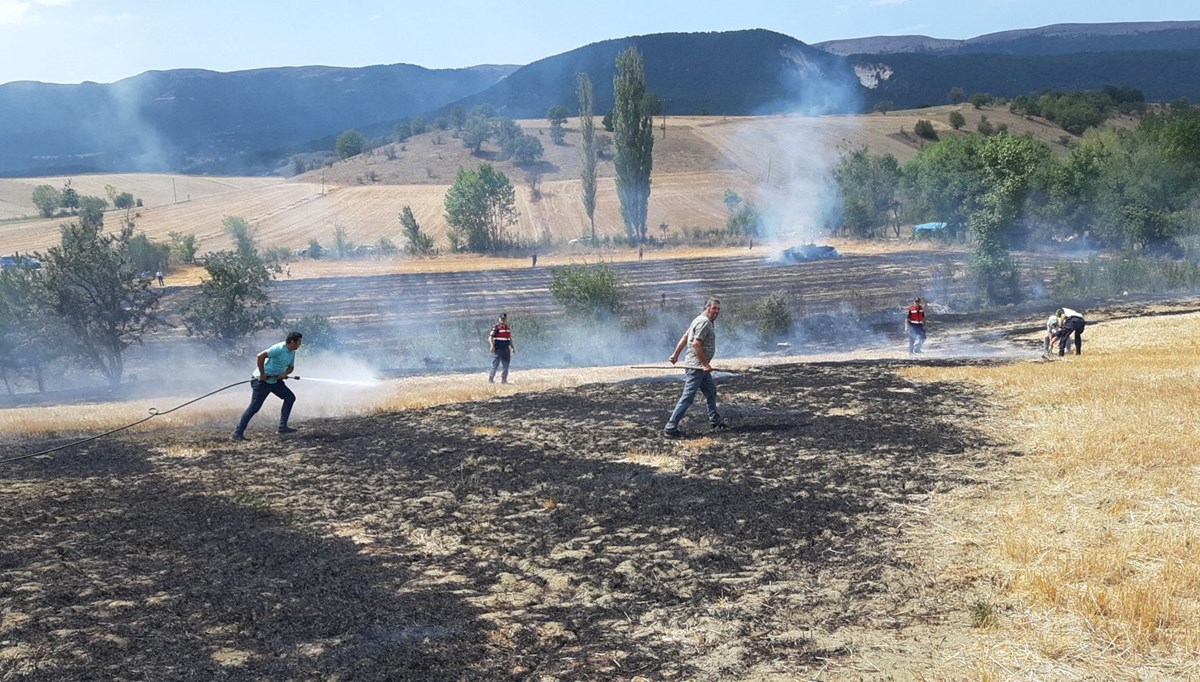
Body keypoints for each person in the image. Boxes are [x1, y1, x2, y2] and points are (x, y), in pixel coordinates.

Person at [664, 298, 725, 438]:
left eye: (718, 309)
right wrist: (704, 364)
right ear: (707, 308)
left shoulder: (698, 319)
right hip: (696, 367)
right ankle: (670, 427)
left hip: (699, 367)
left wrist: (675, 354)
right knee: (687, 398)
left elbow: (686, 337)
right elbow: (696, 344)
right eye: (714, 308)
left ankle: (715, 421)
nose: (717, 311)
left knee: (710, 391)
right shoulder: (704, 322)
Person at [232, 331, 302, 441]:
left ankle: (283, 427)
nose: (300, 344)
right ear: (292, 341)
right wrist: (262, 374)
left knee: (290, 398)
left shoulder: (292, 351)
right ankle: (237, 433)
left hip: (275, 381)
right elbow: (260, 356)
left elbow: (291, 367)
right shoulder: (279, 348)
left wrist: (285, 374)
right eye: (299, 342)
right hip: (262, 382)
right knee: (254, 407)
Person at [488, 312, 515, 384]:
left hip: (506, 349)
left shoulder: (508, 328)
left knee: (506, 365)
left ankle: (504, 380)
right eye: (502, 318)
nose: (503, 320)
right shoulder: (496, 327)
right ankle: (491, 379)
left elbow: (509, 338)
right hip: (498, 349)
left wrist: (512, 347)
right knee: (495, 365)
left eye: (504, 319)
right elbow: (490, 337)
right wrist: (492, 345)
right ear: (499, 319)